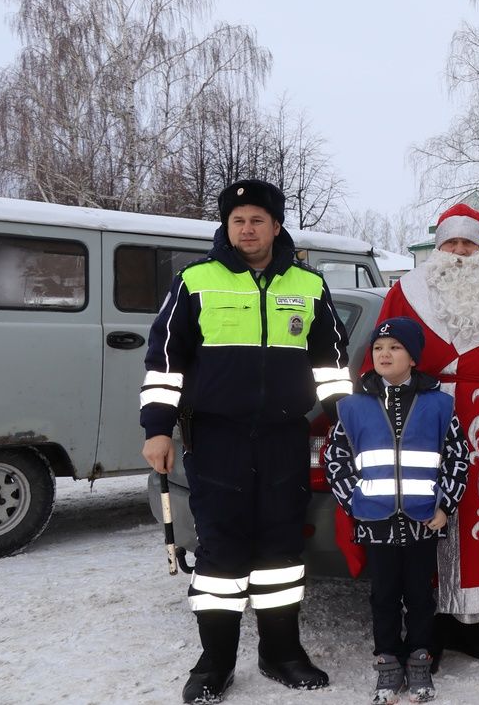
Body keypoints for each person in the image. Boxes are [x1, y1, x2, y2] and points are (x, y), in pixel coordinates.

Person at [140, 179, 353, 704]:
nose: (247, 229)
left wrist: (347, 421)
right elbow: (166, 363)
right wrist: (157, 429)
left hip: (284, 437)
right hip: (216, 437)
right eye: (238, 220)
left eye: (258, 220)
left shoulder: (307, 284)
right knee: (221, 552)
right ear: (226, 226)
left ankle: (281, 653)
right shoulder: (195, 280)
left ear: (276, 226)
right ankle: (215, 662)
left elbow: (331, 366)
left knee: (282, 547)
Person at [365, 203, 479, 661]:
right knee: (425, 511)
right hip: (420, 419)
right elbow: (379, 355)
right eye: (451, 243)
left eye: (468, 244)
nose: (459, 252)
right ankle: (426, 627)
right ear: (437, 247)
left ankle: (468, 623)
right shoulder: (406, 292)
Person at [324, 318, 470, 704]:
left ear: (413, 357)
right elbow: (335, 458)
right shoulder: (353, 406)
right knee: (384, 595)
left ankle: (420, 658)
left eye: (395, 347)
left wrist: (446, 506)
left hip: (424, 520)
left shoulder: (439, 404)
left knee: (421, 595)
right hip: (375, 523)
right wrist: (352, 502)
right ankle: (388, 661)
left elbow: (458, 457)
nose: (384, 354)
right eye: (378, 348)